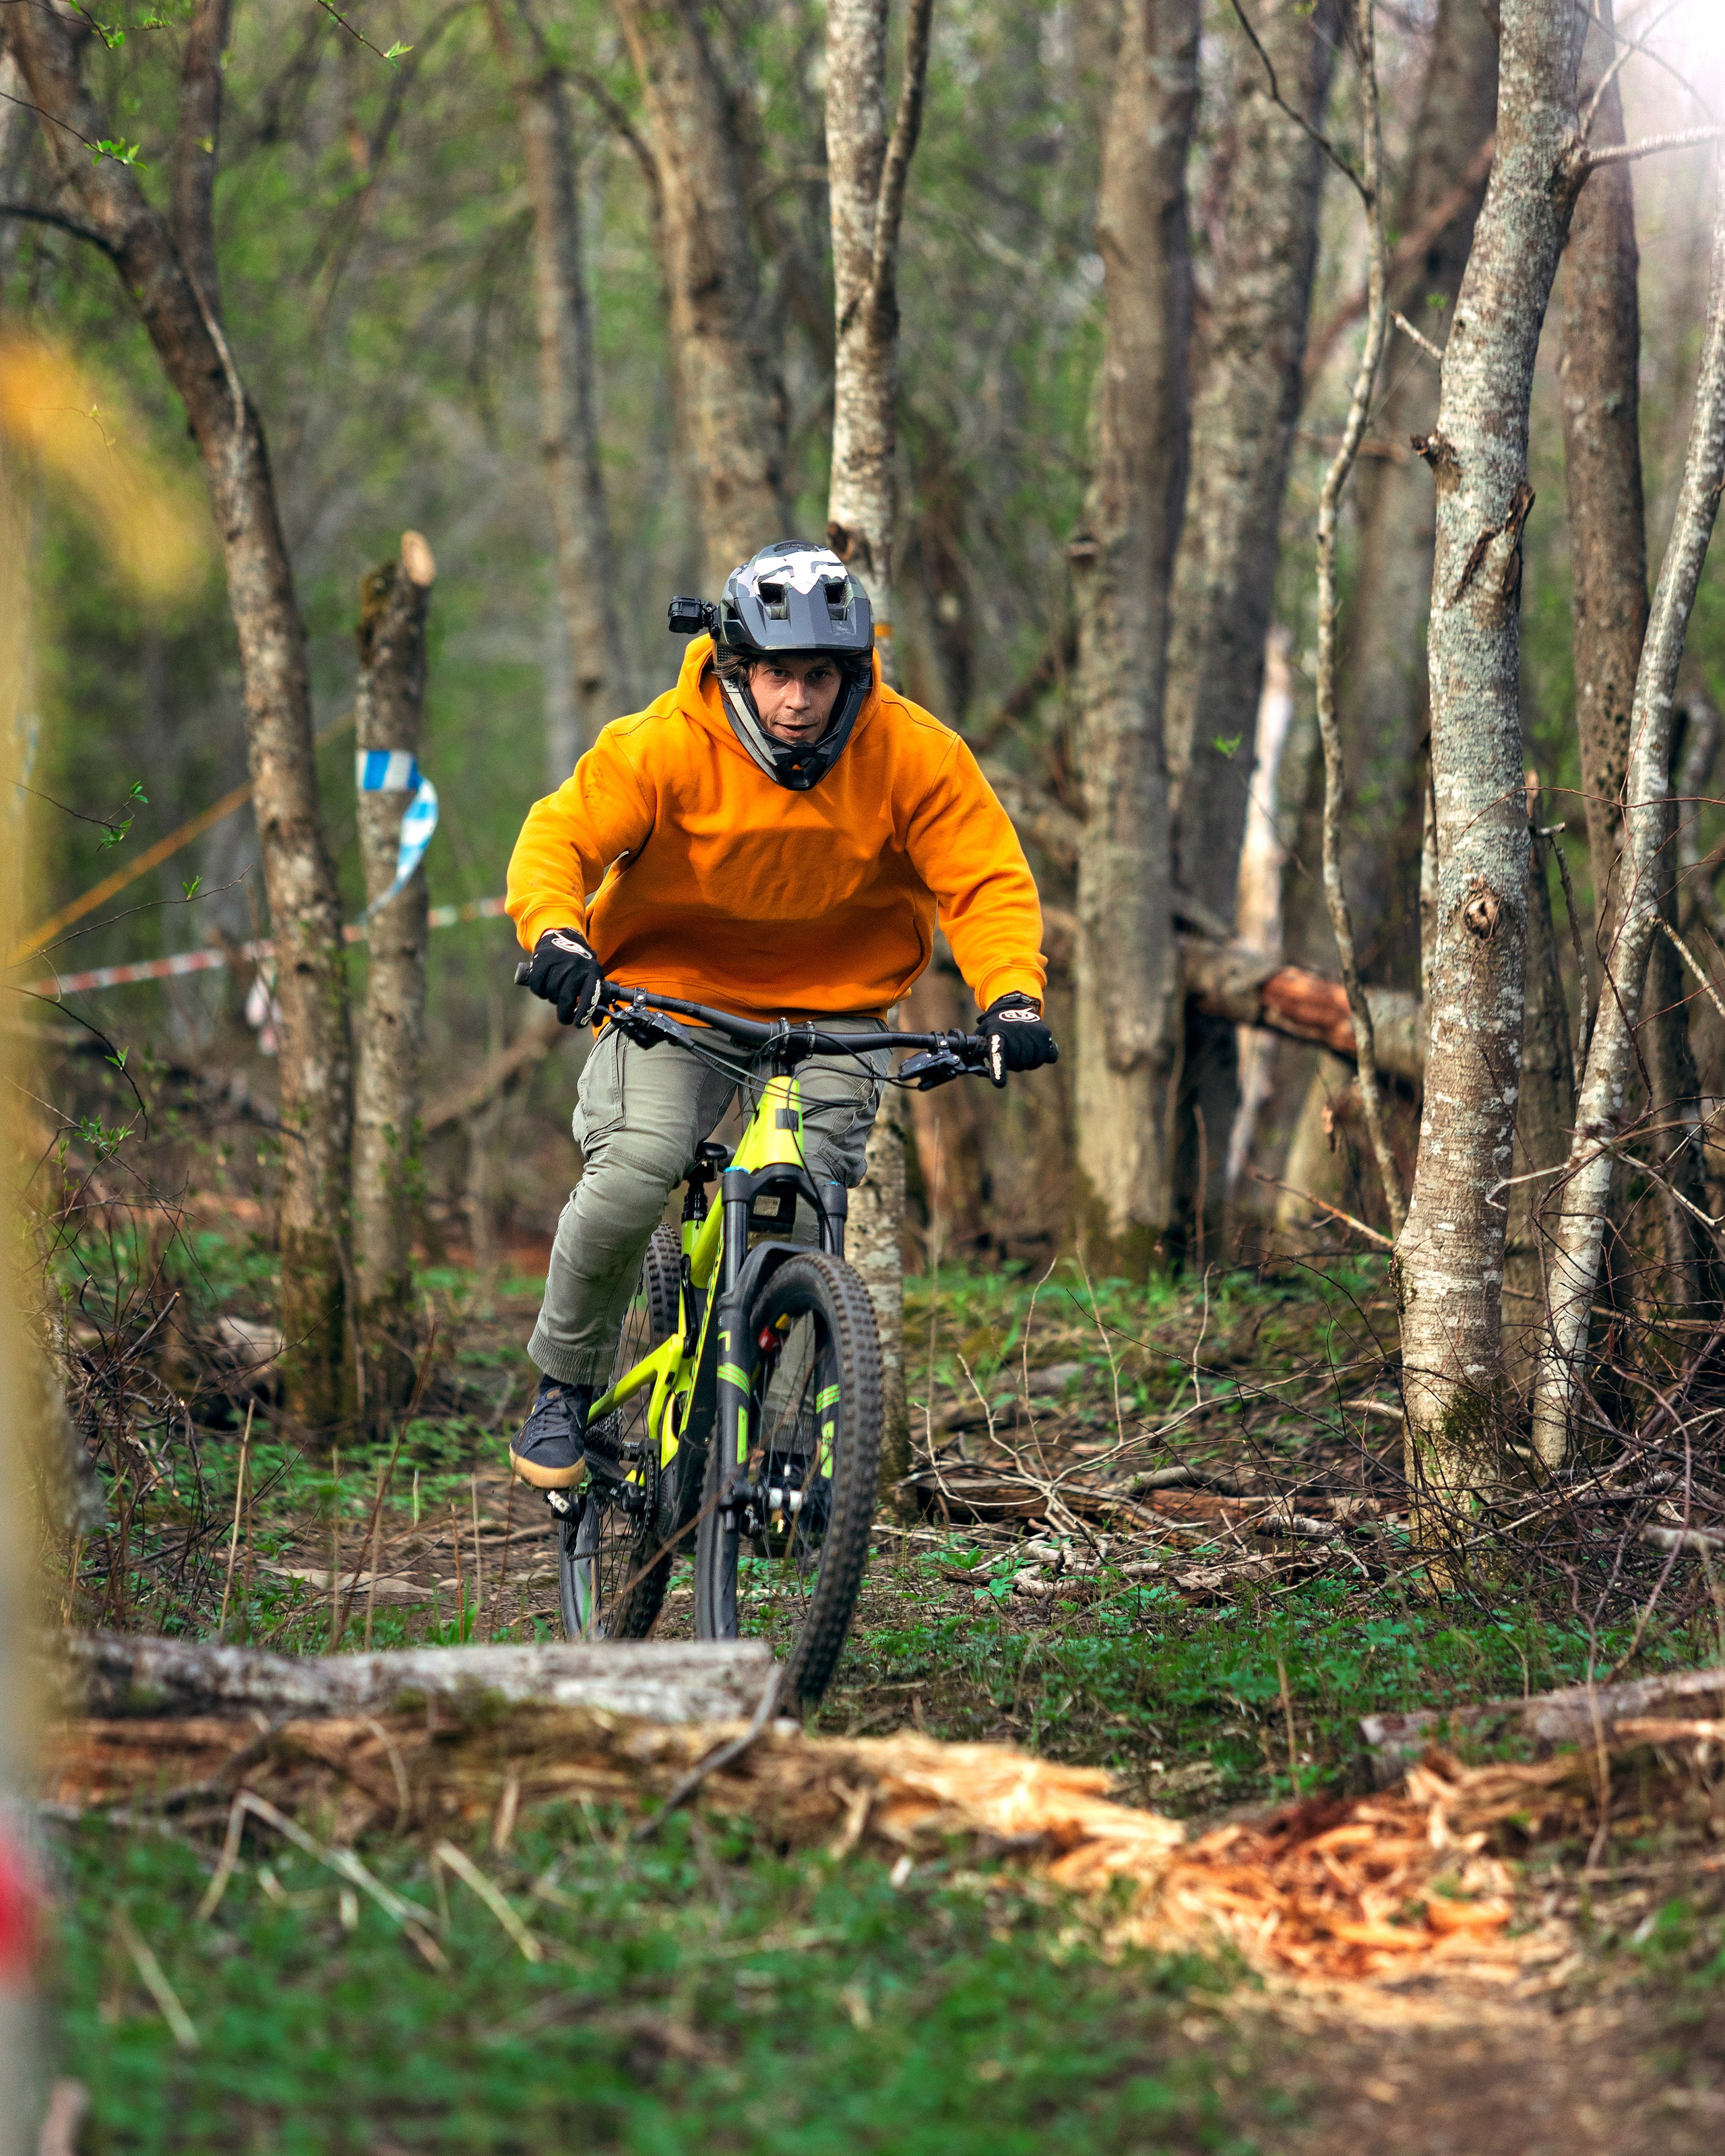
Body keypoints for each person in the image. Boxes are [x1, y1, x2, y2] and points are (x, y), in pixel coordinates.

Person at [503, 539, 1058, 1492]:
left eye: (819, 677)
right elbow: (558, 838)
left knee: (808, 1194)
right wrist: (558, 936)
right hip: (672, 995)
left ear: (854, 675)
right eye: (775, 674)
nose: (797, 699)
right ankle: (564, 1385)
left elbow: (987, 881)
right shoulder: (665, 744)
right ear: (735, 666)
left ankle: (778, 1441)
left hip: (839, 1010)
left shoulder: (914, 754)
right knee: (637, 1168)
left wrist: (1011, 996)